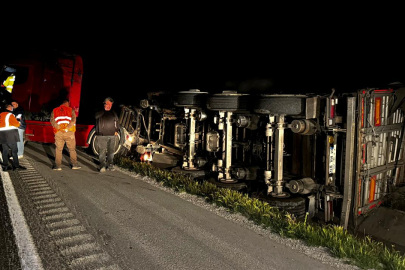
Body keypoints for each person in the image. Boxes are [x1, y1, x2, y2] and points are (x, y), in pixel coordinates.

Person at [50, 99, 81, 170]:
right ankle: (74, 165)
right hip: (69, 132)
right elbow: (73, 120)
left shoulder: (54, 110)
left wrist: (59, 127)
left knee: (58, 149)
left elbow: (52, 120)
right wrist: (67, 128)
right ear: (67, 103)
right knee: (72, 149)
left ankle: (57, 166)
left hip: (59, 132)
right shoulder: (71, 110)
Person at [95, 97, 120, 172]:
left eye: (111, 104)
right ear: (105, 103)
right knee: (102, 151)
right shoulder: (99, 111)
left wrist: (116, 130)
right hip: (102, 135)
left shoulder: (113, 113)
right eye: (108, 104)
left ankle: (110, 165)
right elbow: (96, 116)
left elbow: (117, 122)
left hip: (112, 135)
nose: (109, 105)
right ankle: (102, 165)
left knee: (111, 151)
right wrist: (104, 110)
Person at [0, 104, 27, 171]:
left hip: (2, 134)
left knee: (5, 150)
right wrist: (18, 121)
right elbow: (17, 124)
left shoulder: (1, 114)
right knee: (14, 150)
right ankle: (16, 166)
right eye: (11, 107)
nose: (12, 108)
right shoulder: (10, 115)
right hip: (10, 134)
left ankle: (5, 166)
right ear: (9, 108)